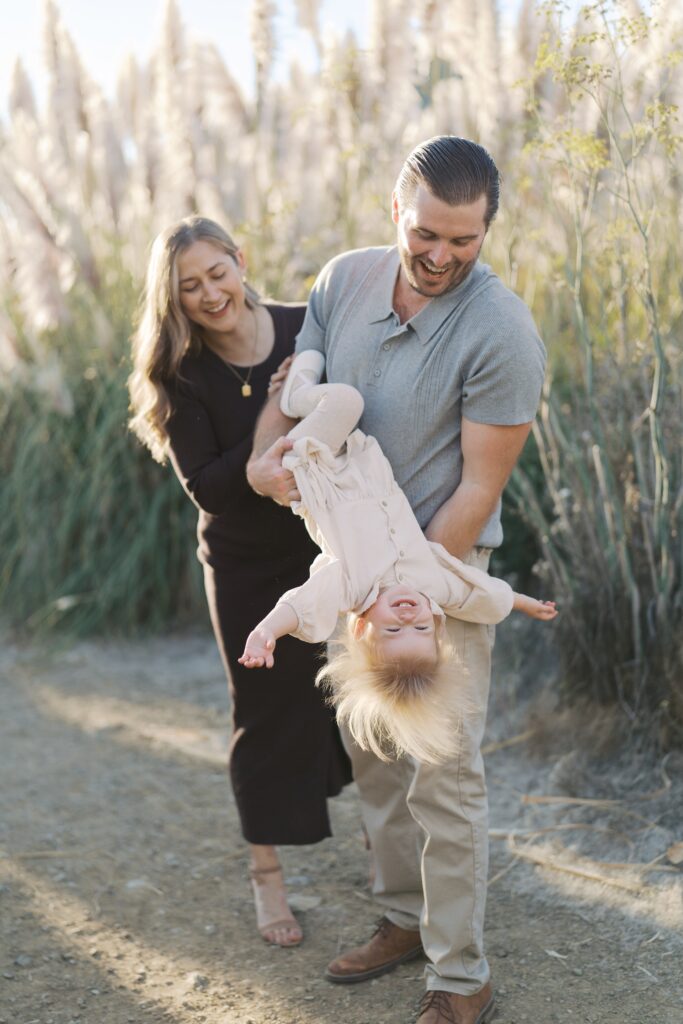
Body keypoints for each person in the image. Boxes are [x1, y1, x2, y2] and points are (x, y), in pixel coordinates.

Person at [246, 137, 547, 1022]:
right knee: (375, 753)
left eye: (465, 239)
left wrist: (396, 589)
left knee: (443, 777)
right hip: (351, 569)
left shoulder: (502, 331)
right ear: (395, 212)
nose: (443, 255)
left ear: (486, 227)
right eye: (427, 234)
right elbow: (294, 382)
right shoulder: (341, 281)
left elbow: (478, 486)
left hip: (438, 574)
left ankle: (461, 977)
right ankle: (402, 919)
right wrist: (268, 457)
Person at [128, 216, 351, 949]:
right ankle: (267, 878)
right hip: (245, 562)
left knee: (346, 699)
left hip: (328, 549)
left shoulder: (304, 327)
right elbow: (213, 489)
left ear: (239, 260)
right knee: (261, 704)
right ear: (175, 299)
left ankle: (392, 855)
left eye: (216, 273)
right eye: (189, 287)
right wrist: (266, 418)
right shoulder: (180, 375)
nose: (209, 294)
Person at [239, 353, 557, 766]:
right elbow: (478, 595)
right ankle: (302, 390)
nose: (409, 615)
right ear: (437, 621)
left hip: (311, 467)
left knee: (345, 402)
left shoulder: (351, 585)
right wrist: (523, 602)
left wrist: (267, 632)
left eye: (393, 629)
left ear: (361, 627)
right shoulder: (435, 586)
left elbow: (302, 603)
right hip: (356, 459)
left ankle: (294, 391)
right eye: (420, 627)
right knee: (349, 405)